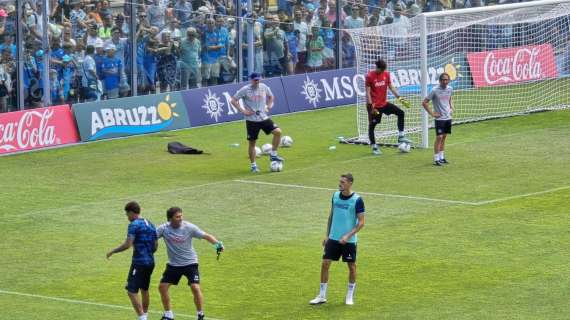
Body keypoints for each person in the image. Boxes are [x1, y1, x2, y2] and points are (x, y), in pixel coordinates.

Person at [157, 207, 224, 320]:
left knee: (195, 287)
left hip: (190, 263)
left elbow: (206, 236)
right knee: (162, 287)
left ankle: (200, 314)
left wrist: (218, 245)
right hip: (174, 265)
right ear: (170, 219)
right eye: (177, 217)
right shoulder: (163, 229)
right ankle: (168, 314)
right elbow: (150, 237)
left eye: (181, 216)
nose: (180, 219)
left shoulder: (189, 227)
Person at [310, 173, 365, 306]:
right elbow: (331, 216)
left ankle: (349, 296)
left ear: (350, 183)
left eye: (343, 182)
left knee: (351, 267)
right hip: (333, 238)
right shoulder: (335, 196)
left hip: (349, 241)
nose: (340, 184)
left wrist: (348, 236)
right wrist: (327, 235)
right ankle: (322, 295)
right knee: (325, 264)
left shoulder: (357, 200)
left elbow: (361, 222)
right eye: (339, 182)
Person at [106, 201, 158, 320]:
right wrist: (147, 252)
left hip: (139, 262)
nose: (127, 217)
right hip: (150, 261)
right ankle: (145, 314)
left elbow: (127, 244)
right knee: (144, 289)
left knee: (131, 290)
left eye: (127, 214)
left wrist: (113, 251)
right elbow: (155, 246)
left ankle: (142, 318)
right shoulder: (150, 223)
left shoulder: (134, 224)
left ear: (131, 212)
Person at [230, 72, 284, 173]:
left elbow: (271, 97)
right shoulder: (245, 90)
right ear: (251, 80)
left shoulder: (264, 87)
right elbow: (233, 100)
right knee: (252, 144)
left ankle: (273, 155)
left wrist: (268, 106)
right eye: (255, 80)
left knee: (278, 132)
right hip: (252, 121)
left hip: (263, 118)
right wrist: (243, 111)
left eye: (258, 79)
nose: (257, 81)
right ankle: (253, 166)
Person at [365, 58, 411, 155]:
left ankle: (401, 136)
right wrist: (370, 106)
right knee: (373, 125)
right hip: (375, 107)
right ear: (376, 67)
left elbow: (391, 87)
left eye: (383, 70)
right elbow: (368, 92)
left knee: (401, 113)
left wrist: (401, 99)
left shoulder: (386, 74)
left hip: (384, 104)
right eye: (381, 70)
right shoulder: (369, 76)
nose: (382, 71)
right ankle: (374, 147)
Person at [422, 72, 454, 166]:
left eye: (446, 80)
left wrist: (451, 107)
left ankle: (442, 157)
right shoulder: (434, 90)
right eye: (443, 80)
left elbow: (450, 98)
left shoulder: (450, 89)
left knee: (444, 137)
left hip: (448, 117)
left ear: (449, 80)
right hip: (439, 118)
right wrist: (432, 113)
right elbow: (424, 102)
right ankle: (436, 159)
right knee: (439, 137)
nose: (445, 81)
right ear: (440, 81)